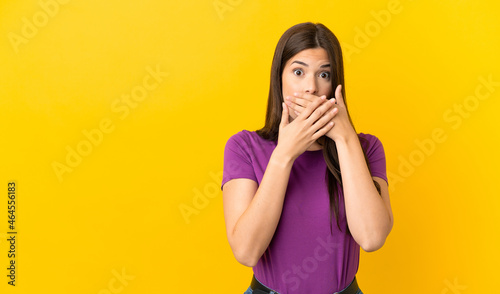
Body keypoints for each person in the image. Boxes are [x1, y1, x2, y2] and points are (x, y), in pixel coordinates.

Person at [220, 22, 393, 294]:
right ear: (279, 78)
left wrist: (346, 139)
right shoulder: (244, 147)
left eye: (324, 74)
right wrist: (285, 154)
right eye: (298, 72)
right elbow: (246, 251)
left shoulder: (366, 148)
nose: (311, 87)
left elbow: (371, 238)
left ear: (335, 84)